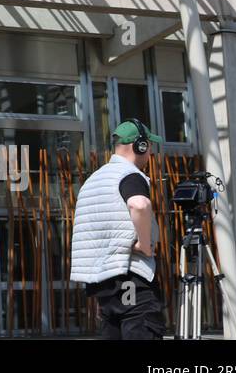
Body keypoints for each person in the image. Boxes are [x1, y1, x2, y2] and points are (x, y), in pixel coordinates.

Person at [70, 119, 166, 339]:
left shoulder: (93, 180)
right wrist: (144, 244)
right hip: (132, 278)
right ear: (140, 146)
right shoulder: (129, 175)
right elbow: (139, 205)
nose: (150, 152)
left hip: (104, 282)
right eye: (149, 146)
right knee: (140, 326)